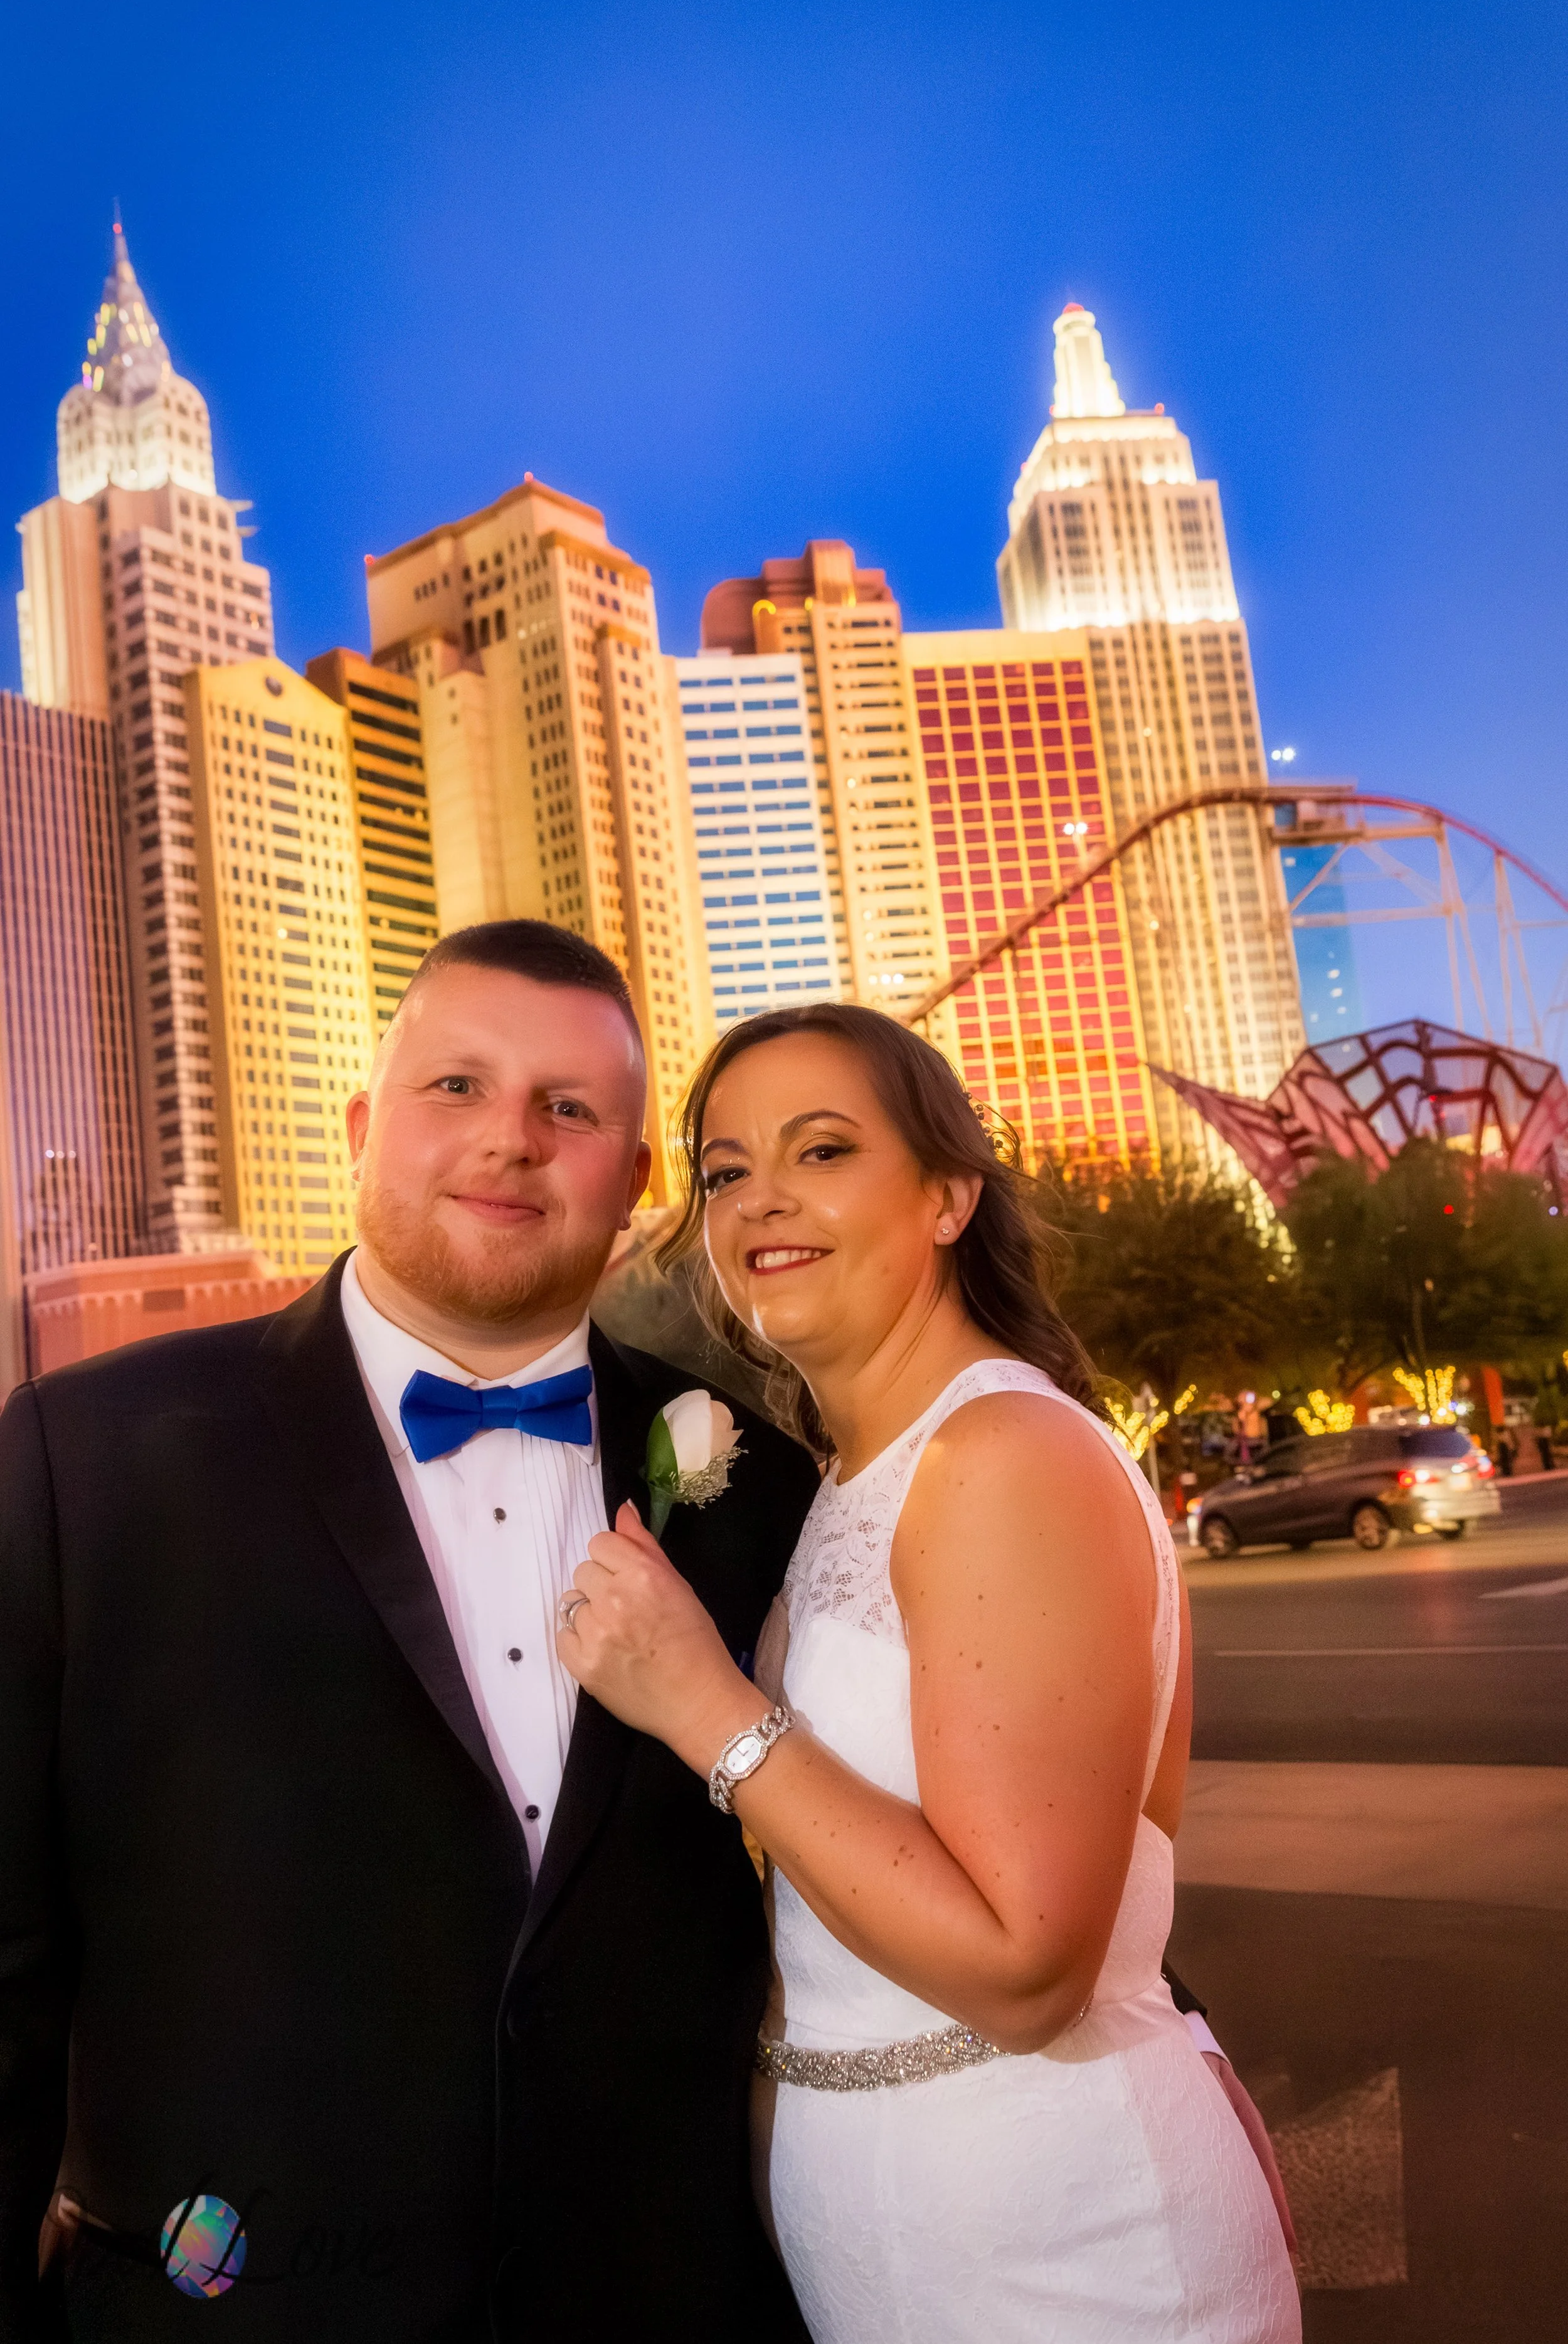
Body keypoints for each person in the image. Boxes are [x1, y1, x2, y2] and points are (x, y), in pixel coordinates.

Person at [0, 923, 815, 2341]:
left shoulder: (756, 1480)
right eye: (458, 1088)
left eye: (567, 1110)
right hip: (234, 2309)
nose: (510, 1140)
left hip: (659, 2302)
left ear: (631, 1182)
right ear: (365, 1125)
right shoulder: (86, 1458)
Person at [558, 1003, 1301, 2343]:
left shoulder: (1003, 1457)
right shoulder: (848, 1479)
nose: (760, 1200)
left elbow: (1025, 1967)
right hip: (888, 2246)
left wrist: (704, 1706)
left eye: (823, 1150)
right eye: (725, 1171)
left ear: (949, 1195)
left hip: (1063, 2256)